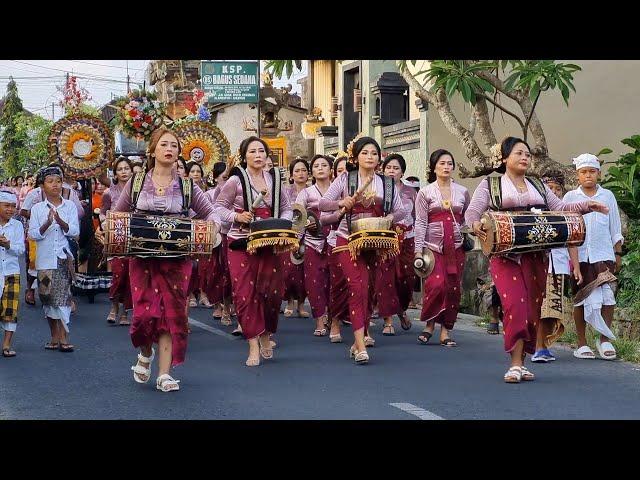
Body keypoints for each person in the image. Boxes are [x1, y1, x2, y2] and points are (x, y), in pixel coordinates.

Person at [466, 137, 609, 383]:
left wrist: (588, 205)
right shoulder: (490, 184)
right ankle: (515, 363)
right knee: (515, 306)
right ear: (504, 158)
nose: (524, 157)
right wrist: (475, 224)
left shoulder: (538, 185)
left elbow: (561, 209)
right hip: (505, 255)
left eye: (528, 154)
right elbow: (472, 211)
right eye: (519, 153)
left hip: (537, 255)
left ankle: (522, 363)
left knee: (532, 310)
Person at [114, 127, 220, 392]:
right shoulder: (137, 182)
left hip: (176, 259)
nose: (169, 149)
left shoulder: (187, 186)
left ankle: (164, 374)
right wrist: (107, 226)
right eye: (164, 144)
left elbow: (211, 212)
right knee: (144, 313)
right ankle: (145, 353)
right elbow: (117, 214)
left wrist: (213, 228)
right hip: (143, 258)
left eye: (174, 145)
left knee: (170, 313)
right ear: (153, 150)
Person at [319, 137, 408, 364]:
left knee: (369, 290)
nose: (370, 157)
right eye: (365, 153)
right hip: (347, 240)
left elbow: (401, 211)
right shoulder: (344, 180)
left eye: (374, 153)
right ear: (356, 157)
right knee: (357, 287)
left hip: (377, 243)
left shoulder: (386, 184)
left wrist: (390, 217)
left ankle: (359, 337)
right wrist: (342, 203)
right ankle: (360, 346)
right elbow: (322, 205)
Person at [214, 136, 293, 366]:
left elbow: (287, 208)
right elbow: (218, 208)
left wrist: (281, 223)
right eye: (252, 152)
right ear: (244, 156)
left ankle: (266, 333)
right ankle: (252, 345)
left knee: (271, 292)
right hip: (241, 243)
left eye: (261, 151)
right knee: (245, 293)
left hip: (270, 242)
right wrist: (237, 217)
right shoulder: (235, 181)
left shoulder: (276, 181)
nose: (258, 155)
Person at [564, 153, 623, 360]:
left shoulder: (607, 196)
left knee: (608, 297)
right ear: (577, 175)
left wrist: (617, 254)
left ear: (598, 173)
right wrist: (571, 262)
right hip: (579, 256)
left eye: (591, 171)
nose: (588, 176)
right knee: (580, 299)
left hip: (604, 254)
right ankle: (581, 343)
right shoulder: (570, 198)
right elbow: (567, 231)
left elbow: (615, 227)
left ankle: (604, 339)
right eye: (583, 172)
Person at [414, 149, 470, 346]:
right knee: (436, 286)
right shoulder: (425, 192)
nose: (446, 167)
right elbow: (420, 222)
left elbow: (467, 218)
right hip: (433, 247)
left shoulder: (462, 191)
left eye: (449, 163)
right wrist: (418, 249)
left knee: (453, 288)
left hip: (456, 246)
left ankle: (446, 330)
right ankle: (429, 325)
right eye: (442, 163)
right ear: (434, 167)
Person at [28, 166, 80, 353]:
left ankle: (65, 337)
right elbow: (33, 234)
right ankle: (54, 336)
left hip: (63, 258)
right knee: (47, 298)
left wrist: (60, 221)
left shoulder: (70, 206)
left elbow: (75, 231)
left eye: (58, 181)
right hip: (44, 260)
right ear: (42, 186)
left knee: (64, 298)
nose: (55, 185)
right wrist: (47, 223)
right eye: (50, 182)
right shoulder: (37, 209)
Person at [532, 171, 583, 362]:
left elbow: (572, 242)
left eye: (557, 189)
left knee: (552, 309)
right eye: (549, 188)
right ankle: (537, 346)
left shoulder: (565, 213)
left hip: (559, 266)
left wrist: (576, 267)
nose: (553, 192)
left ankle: (542, 346)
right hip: (538, 266)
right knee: (539, 308)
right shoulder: (534, 211)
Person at [377, 153, 415, 335]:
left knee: (406, 279)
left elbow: (418, 218)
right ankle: (388, 320)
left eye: (396, 168)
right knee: (386, 279)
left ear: (402, 172)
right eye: (388, 168)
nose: (392, 171)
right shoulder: (378, 190)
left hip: (407, 239)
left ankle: (402, 309)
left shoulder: (411, 192)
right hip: (386, 239)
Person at [295, 154, 334, 336]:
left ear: (330, 169)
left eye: (324, 165)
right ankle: (319, 318)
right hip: (313, 242)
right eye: (316, 165)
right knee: (314, 282)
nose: (320, 168)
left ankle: (333, 317)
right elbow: (298, 217)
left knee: (334, 281)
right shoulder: (306, 193)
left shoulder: (338, 191)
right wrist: (298, 238)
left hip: (334, 239)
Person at [100, 156, 133, 326]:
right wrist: (105, 223)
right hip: (116, 235)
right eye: (120, 169)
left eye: (126, 168)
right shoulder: (109, 192)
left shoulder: (138, 190)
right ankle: (113, 307)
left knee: (130, 275)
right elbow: (102, 212)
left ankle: (126, 313)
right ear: (115, 173)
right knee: (118, 274)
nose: (124, 172)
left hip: (133, 236)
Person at [204, 162, 234, 326]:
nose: (227, 181)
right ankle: (218, 303)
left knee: (231, 274)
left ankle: (229, 307)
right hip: (216, 236)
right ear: (215, 178)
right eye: (224, 178)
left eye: (229, 178)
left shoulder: (236, 191)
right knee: (215, 271)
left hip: (233, 235)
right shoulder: (208, 195)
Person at [282, 157, 310, 318]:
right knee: (288, 271)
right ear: (291, 175)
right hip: (289, 234)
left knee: (303, 272)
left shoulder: (311, 191)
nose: (300, 174)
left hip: (308, 236)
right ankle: (290, 301)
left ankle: (301, 304)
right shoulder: (286, 192)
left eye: (304, 170)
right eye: (297, 171)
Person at [0, 190, 25, 357]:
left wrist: (8, 245)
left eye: (13, 207)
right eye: (6, 206)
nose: (10, 209)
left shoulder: (17, 225)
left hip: (11, 272)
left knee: (10, 309)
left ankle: (7, 344)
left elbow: (21, 250)